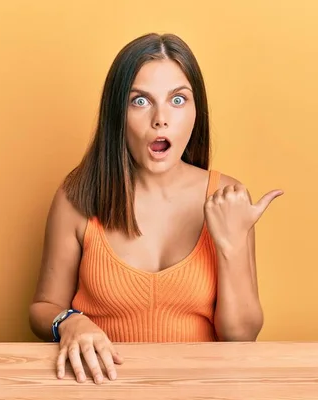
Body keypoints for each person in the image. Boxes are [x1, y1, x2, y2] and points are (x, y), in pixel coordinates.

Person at [29, 32, 283, 385]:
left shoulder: (227, 196)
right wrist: (70, 321)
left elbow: (241, 339)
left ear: (197, 111)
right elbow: (43, 309)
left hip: (202, 389)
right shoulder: (77, 197)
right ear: (117, 112)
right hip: (101, 387)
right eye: (140, 101)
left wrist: (231, 245)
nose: (161, 119)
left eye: (178, 100)